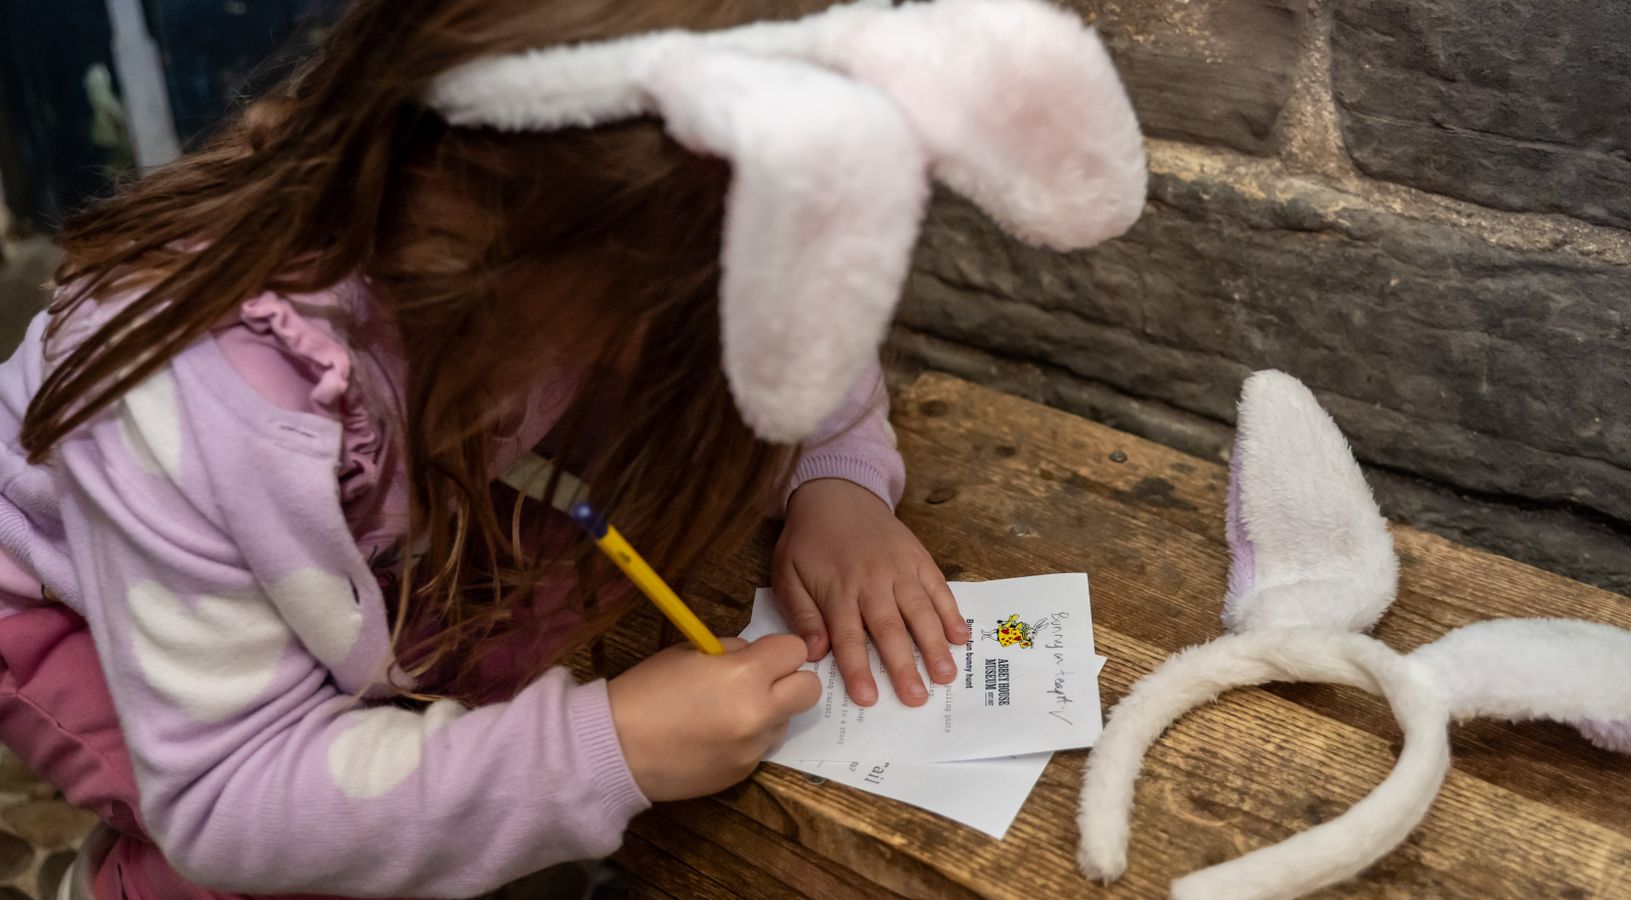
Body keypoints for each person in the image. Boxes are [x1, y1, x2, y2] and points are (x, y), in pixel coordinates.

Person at [0, 0, 975, 895]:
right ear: (498, 249)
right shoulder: (202, 398)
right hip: (78, 605)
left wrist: (834, 482)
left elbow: (792, 341)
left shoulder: (571, 253)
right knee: (249, 870)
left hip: (378, 529)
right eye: (692, 312)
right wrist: (603, 748)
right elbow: (230, 793)